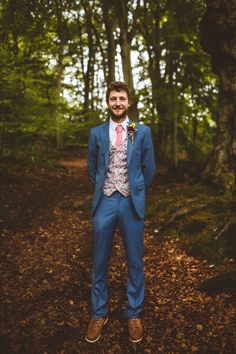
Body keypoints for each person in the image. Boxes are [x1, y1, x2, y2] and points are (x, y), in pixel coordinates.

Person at [86, 81, 156, 343]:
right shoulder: (96, 133)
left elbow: (149, 169)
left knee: (135, 260)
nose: (118, 103)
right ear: (107, 102)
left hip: (131, 202)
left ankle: (134, 313)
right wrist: (106, 188)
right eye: (113, 98)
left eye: (122, 99)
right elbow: (91, 169)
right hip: (104, 201)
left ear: (129, 102)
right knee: (99, 260)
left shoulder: (142, 131)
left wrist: (135, 189)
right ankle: (98, 313)